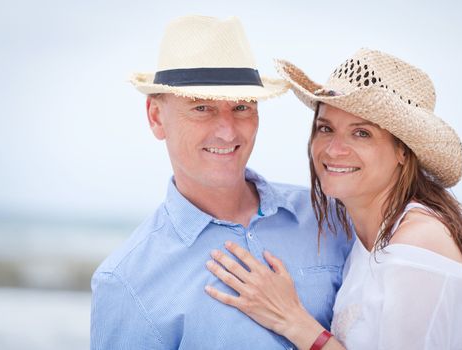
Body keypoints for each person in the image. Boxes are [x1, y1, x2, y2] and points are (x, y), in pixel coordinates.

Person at [205, 48, 462, 349]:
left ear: (403, 150)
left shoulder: (417, 242)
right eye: (326, 128)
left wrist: (292, 321)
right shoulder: (367, 235)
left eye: (361, 133)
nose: (334, 150)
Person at [90, 15, 353, 350]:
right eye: (202, 108)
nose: (228, 132)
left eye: (242, 107)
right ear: (156, 118)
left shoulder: (332, 218)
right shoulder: (126, 281)